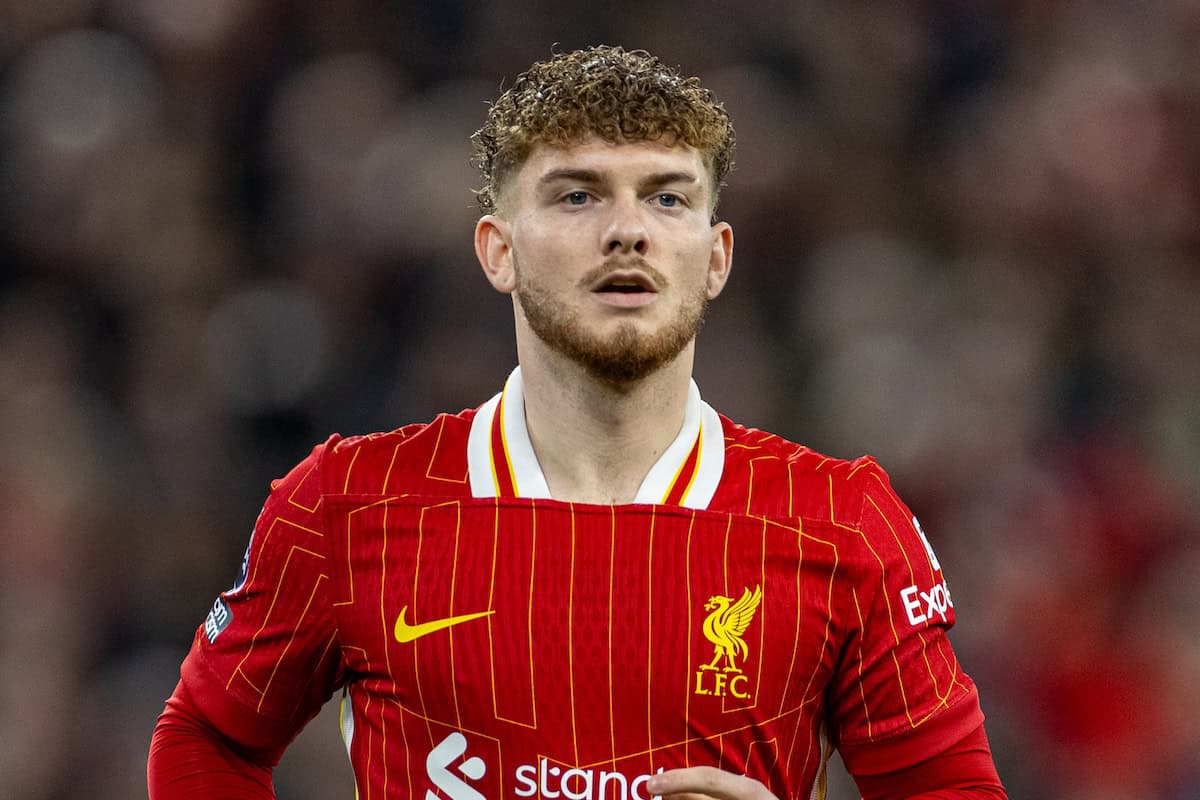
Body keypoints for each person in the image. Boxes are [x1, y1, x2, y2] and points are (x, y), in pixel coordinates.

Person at [147, 45, 1007, 799]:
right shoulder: (346, 505)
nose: (628, 231)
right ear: (498, 249)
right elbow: (207, 737)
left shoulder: (842, 523)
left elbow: (954, 789)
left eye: (668, 199)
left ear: (715, 258)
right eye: (577, 197)